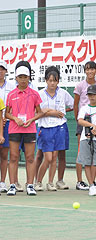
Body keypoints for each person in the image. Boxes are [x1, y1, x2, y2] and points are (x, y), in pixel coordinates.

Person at [6, 61, 45, 196]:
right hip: (14, 129)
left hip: (30, 130)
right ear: (16, 78)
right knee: (14, 157)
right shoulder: (11, 94)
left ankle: (30, 185)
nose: (23, 80)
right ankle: (12, 185)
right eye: (20, 77)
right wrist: (15, 119)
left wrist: (31, 120)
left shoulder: (34, 94)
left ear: (29, 78)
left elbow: (40, 112)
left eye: (25, 77)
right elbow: (6, 113)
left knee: (29, 158)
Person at [34, 66, 73, 191]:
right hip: (45, 128)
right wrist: (52, 112)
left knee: (56, 156)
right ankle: (38, 181)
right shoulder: (39, 94)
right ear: (46, 80)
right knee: (47, 157)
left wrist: (61, 112)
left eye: (54, 80)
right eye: (50, 80)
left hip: (59, 128)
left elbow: (73, 105)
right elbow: (37, 111)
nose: (52, 83)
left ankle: (51, 182)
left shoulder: (63, 93)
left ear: (58, 81)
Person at [73, 61, 96, 190]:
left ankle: (92, 181)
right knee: (82, 152)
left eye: (92, 69)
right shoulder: (80, 85)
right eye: (87, 69)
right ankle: (80, 181)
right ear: (85, 71)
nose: (90, 71)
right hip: (83, 122)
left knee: (94, 153)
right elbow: (76, 104)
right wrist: (79, 120)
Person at [0, 60, 16, 193]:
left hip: (8, 123)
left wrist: (5, 118)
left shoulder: (12, 87)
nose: (0, 72)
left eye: (2, 69)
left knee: (5, 154)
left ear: (6, 71)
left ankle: (2, 182)